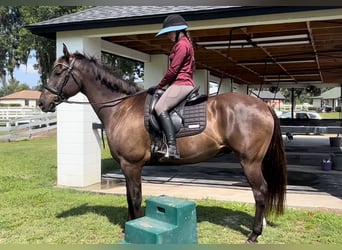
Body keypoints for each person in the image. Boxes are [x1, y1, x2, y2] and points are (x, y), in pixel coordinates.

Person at [152, 14, 195, 160]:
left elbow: (173, 70)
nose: (168, 36)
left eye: (169, 33)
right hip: (179, 83)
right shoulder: (183, 43)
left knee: (159, 108)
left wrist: (160, 85)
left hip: (182, 83)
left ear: (178, 31)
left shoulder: (182, 45)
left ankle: (172, 146)